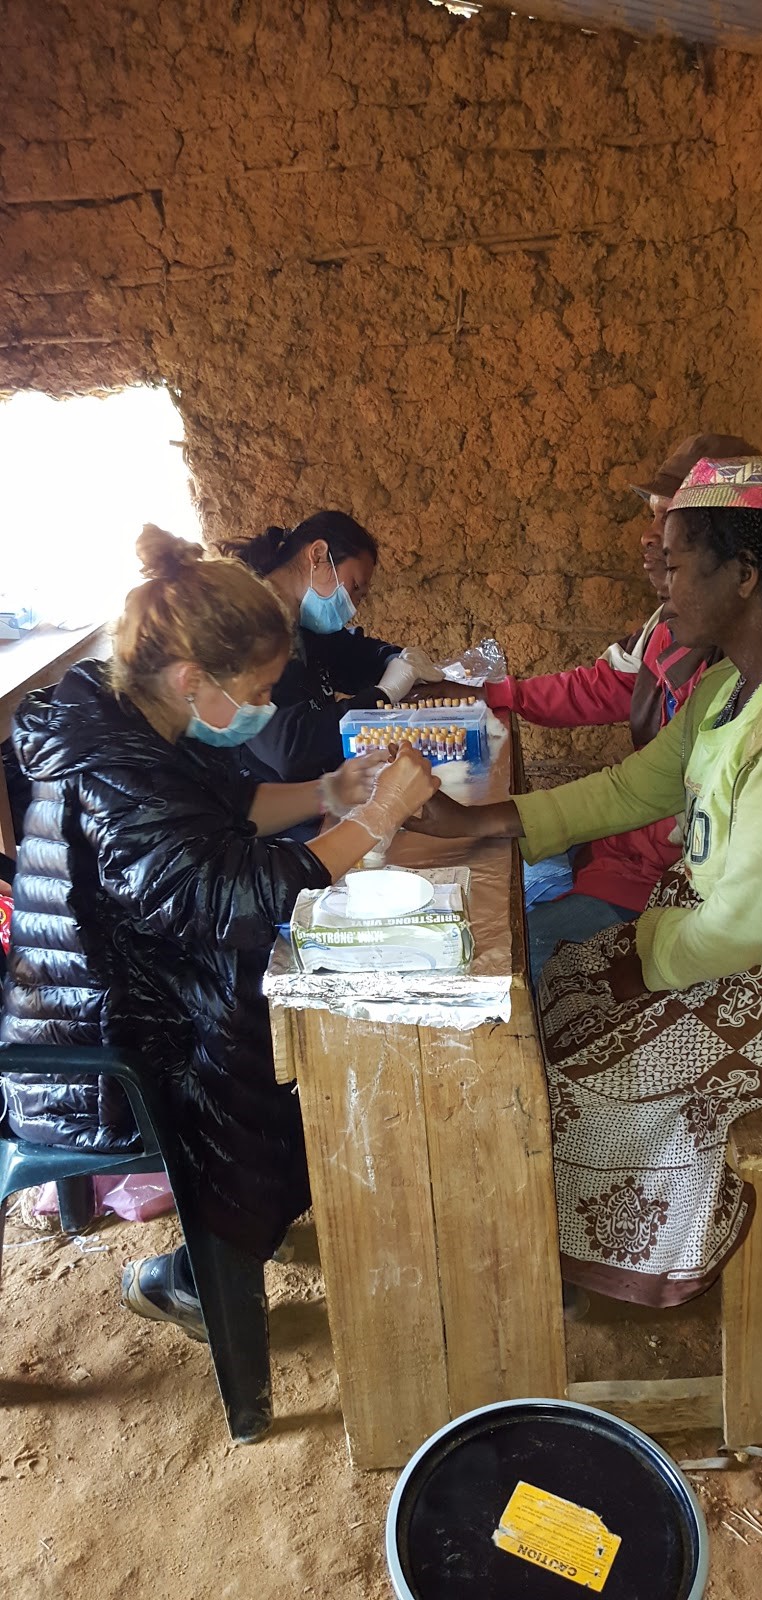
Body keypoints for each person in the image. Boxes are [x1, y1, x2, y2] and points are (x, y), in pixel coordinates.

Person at [407, 458, 762, 1308]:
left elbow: (749, 928)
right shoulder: (735, 681)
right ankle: (570, 1233)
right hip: (733, 944)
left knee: (577, 1077)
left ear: (743, 575)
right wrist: (479, 823)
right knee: (557, 992)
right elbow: (634, 787)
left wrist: (648, 960)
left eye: (675, 563)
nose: (659, 584)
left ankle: (572, 1268)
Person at [0, 526, 437, 1340]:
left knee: (295, 1015)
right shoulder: (112, 768)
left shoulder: (140, 717)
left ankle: (245, 1236)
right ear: (191, 678)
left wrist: (332, 792)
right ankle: (203, 1275)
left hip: (136, 979)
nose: (266, 709)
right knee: (276, 1043)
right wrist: (377, 817)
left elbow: (226, 811)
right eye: (260, 692)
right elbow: (226, 894)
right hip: (100, 1045)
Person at [482, 432, 758, 980]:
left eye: (669, 518)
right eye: (652, 516)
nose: (649, 536)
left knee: (508, 957)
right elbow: (606, 689)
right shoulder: (668, 624)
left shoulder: (738, 672)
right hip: (613, 853)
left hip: (648, 884)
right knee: (496, 889)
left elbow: (650, 802)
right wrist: (503, 695)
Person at [221, 510, 444, 789]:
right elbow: (290, 749)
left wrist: (395, 658)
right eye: (354, 587)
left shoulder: (303, 624)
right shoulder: (246, 630)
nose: (353, 607)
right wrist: (383, 695)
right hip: (265, 801)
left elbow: (350, 654)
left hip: (317, 792)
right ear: (317, 555)